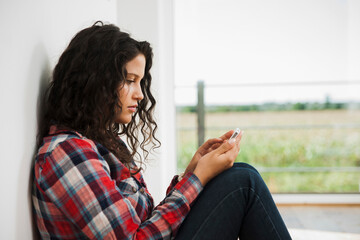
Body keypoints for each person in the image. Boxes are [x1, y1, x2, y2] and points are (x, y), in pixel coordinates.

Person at [32, 21, 292, 240]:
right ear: (94, 81)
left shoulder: (99, 142)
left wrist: (192, 172)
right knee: (242, 183)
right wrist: (197, 179)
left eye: (140, 82)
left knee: (242, 173)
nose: (140, 94)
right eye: (129, 80)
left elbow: (143, 223)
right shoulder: (66, 153)